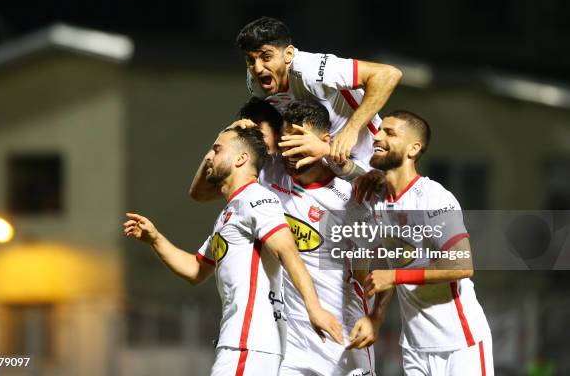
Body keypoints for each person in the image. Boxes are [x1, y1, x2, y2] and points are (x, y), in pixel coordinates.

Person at [192, 99, 393, 376]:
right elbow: (200, 193)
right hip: (289, 342)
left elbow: (383, 264)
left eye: (301, 144)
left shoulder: (352, 199)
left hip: (341, 335)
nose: (291, 153)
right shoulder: (269, 175)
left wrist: (375, 318)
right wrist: (228, 134)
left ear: (324, 141)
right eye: (287, 144)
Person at [125, 126, 342, 376]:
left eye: (217, 149)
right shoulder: (231, 212)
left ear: (241, 159)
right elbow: (196, 270)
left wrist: (313, 308)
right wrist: (155, 239)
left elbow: (286, 251)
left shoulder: (257, 199)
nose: (208, 157)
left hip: (249, 343)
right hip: (241, 343)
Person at [356, 110, 494, 375]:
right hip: (414, 347)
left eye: (389, 132)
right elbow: (392, 265)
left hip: (459, 343)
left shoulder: (433, 198)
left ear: (413, 148)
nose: (377, 136)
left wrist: (395, 276)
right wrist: (376, 317)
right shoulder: (378, 199)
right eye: (379, 130)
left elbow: (462, 265)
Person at [236, 16, 403, 168]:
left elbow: (387, 74)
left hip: (369, 154)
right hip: (327, 158)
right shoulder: (254, 81)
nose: (257, 68)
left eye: (266, 57)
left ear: (288, 54)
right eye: (251, 60)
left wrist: (352, 129)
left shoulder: (312, 71)